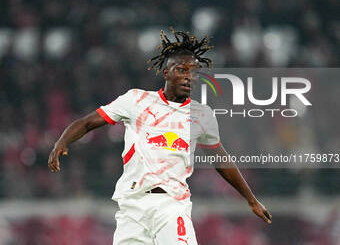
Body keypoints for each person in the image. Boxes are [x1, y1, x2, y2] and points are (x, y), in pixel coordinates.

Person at [48, 29, 272, 245]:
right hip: (132, 205)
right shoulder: (136, 100)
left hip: (171, 205)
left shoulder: (202, 115)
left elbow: (221, 159)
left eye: (193, 72)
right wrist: (62, 142)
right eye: (182, 70)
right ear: (167, 73)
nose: (189, 77)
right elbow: (87, 122)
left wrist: (251, 199)